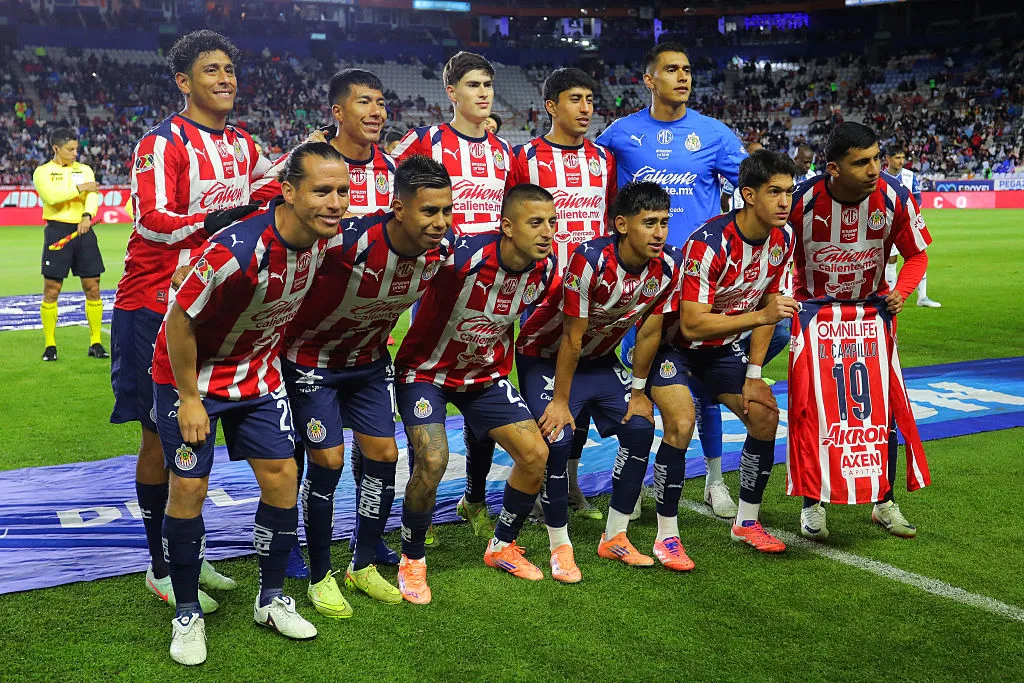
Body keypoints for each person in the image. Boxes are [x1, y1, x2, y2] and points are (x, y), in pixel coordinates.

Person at [152, 141, 347, 665]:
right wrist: (190, 398)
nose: (335, 203)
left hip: (258, 378)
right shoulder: (236, 251)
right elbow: (179, 319)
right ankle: (187, 611)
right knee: (189, 488)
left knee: (284, 479)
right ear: (287, 191)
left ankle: (271, 596)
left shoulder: (326, 240)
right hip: (190, 381)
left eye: (342, 192)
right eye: (322, 191)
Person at [111, 30, 282, 614]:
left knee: (194, 439)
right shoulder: (162, 143)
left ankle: (188, 548)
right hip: (154, 304)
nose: (226, 79)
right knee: (159, 438)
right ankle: (162, 565)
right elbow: (154, 221)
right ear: (184, 82)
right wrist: (222, 217)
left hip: (215, 305)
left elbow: (264, 190)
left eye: (230, 69)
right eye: (212, 70)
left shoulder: (242, 143)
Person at [281, 155, 454, 616]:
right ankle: (320, 575)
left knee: (385, 455)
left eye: (446, 211)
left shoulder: (444, 249)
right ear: (399, 208)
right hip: (311, 363)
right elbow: (283, 250)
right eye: (429, 211)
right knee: (329, 460)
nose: (440, 223)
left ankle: (363, 562)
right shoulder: (346, 242)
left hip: (369, 364)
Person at [597, 41, 749, 520]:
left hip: (699, 281)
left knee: (702, 387)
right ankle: (635, 480)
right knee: (640, 383)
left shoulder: (714, 134)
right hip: (639, 283)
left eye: (686, 69)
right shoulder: (620, 134)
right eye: (671, 70)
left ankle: (715, 481)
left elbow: (752, 187)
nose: (682, 77)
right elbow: (584, 173)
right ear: (649, 79)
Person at [393, 183, 558, 603]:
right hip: (426, 372)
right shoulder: (459, 257)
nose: (547, 232)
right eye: (535, 222)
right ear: (505, 226)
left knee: (537, 454)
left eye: (552, 222)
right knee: (432, 459)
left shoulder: (547, 268)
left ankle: (502, 544)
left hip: (483, 376)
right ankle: (412, 560)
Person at [515, 181, 678, 579]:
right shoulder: (590, 260)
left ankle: (615, 537)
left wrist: (640, 392)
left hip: (600, 360)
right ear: (622, 224)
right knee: (559, 438)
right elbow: (571, 338)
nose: (659, 233)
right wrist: (559, 401)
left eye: (664, 223)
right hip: (545, 357)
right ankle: (560, 547)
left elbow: (650, 331)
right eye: (649, 223)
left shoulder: (669, 266)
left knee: (640, 429)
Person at [652, 149, 800, 557]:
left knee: (765, 415)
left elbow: (770, 307)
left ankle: (747, 523)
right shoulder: (710, 243)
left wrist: (753, 374)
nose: (785, 201)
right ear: (748, 195)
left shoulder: (783, 239)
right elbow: (692, 324)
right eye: (775, 192)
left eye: (789, 191)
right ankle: (667, 534)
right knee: (681, 423)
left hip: (718, 352)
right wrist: (758, 317)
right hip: (671, 349)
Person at [391, 51, 513, 540]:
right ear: (452, 93)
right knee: (431, 388)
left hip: (496, 293)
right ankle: (421, 499)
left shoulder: (505, 152)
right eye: (473, 85)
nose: (483, 93)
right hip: (440, 287)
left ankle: (474, 498)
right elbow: (392, 195)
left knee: (483, 394)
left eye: (487, 84)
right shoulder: (425, 143)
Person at [789, 122, 932, 541]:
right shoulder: (800, 202)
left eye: (876, 158)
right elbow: (774, 254)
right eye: (862, 162)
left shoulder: (894, 196)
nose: (875, 169)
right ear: (833, 167)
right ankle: (812, 504)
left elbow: (917, 257)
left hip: (872, 315)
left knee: (881, 412)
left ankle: (883, 501)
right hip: (814, 316)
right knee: (814, 412)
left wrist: (902, 293)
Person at [500, 67, 619, 521]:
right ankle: (531, 482)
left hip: (591, 290)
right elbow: (510, 219)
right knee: (541, 392)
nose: (586, 108)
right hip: (539, 293)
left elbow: (608, 218)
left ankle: (568, 487)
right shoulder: (524, 156)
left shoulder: (604, 160)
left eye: (590, 99)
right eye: (575, 99)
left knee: (579, 388)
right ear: (551, 106)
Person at [32, 127, 105, 361]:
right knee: (52, 289)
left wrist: (87, 216)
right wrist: (81, 188)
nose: (75, 153)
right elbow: (51, 197)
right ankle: (50, 345)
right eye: (70, 149)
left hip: (84, 230)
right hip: (57, 231)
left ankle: (96, 342)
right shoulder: (42, 172)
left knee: (93, 286)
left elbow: (93, 196)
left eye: (76, 149)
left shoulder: (84, 170)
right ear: (56, 148)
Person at [884, 144, 940, 308]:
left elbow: (918, 200)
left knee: (917, 254)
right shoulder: (880, 177)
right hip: (888, 225)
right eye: (897, 158)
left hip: (907, 224)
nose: (901, 161)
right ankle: (892, 295)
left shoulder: (909, 176)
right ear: (888, 159)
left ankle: (922, 297)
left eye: (903, 157)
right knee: (891, 259)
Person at [720, 141, 763, 212]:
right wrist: (728, 216)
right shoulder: (737, 173)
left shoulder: (765, 175)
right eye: (757, 153)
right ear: (747, 154)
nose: (760, 156)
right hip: (739, 219)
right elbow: (724, 199)